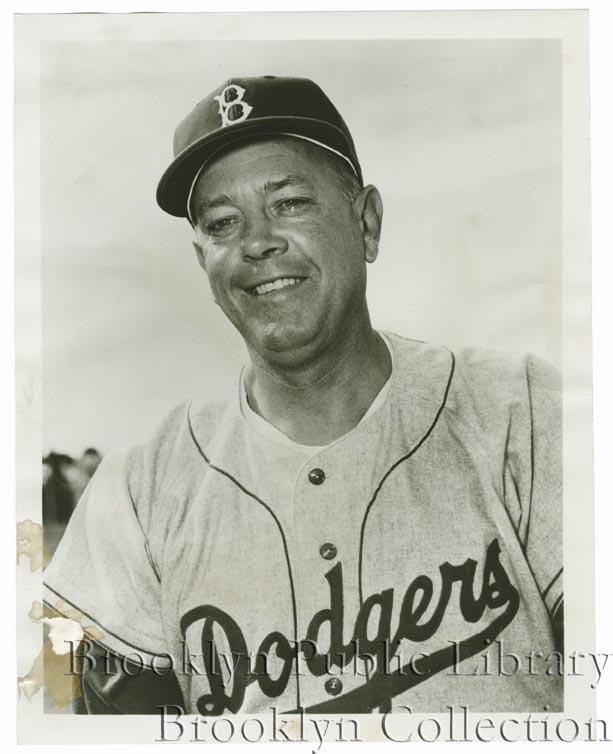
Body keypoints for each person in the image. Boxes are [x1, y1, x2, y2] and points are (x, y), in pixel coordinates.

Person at [43, 76, 563, 715]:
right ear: (204, 262)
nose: (256, 242)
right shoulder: (140, 489)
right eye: (223, 223)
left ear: (366, 223)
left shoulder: (521, 410)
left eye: (288, 203)